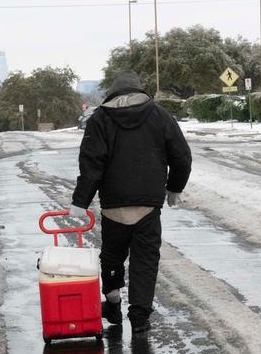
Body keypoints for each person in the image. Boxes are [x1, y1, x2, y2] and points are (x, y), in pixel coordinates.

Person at [70, 71, 192, 334]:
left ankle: (113, 303)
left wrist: (81, 201)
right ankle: (139, 317)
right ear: (139, 90)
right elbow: (182, 156)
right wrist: (174, 187)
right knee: (145, 260)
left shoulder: (99, 119)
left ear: (113, 93)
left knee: (112, 257)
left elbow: (91, 165)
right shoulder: (160, 116)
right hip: (148, 205)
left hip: (114, 205)